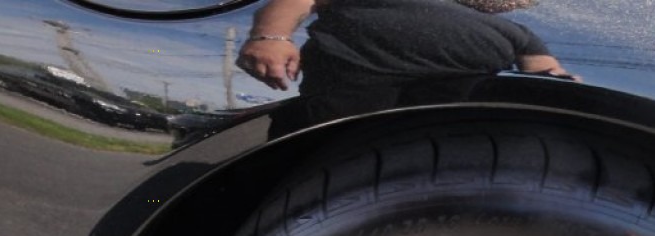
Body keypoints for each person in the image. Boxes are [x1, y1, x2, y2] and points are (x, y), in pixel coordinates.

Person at [237, 0, 575, 95]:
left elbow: (544, 75)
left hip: (450, 112)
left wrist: (563, 86)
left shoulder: (517, 33)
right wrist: (272, 37)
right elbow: (295, 1)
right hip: (348, 93)